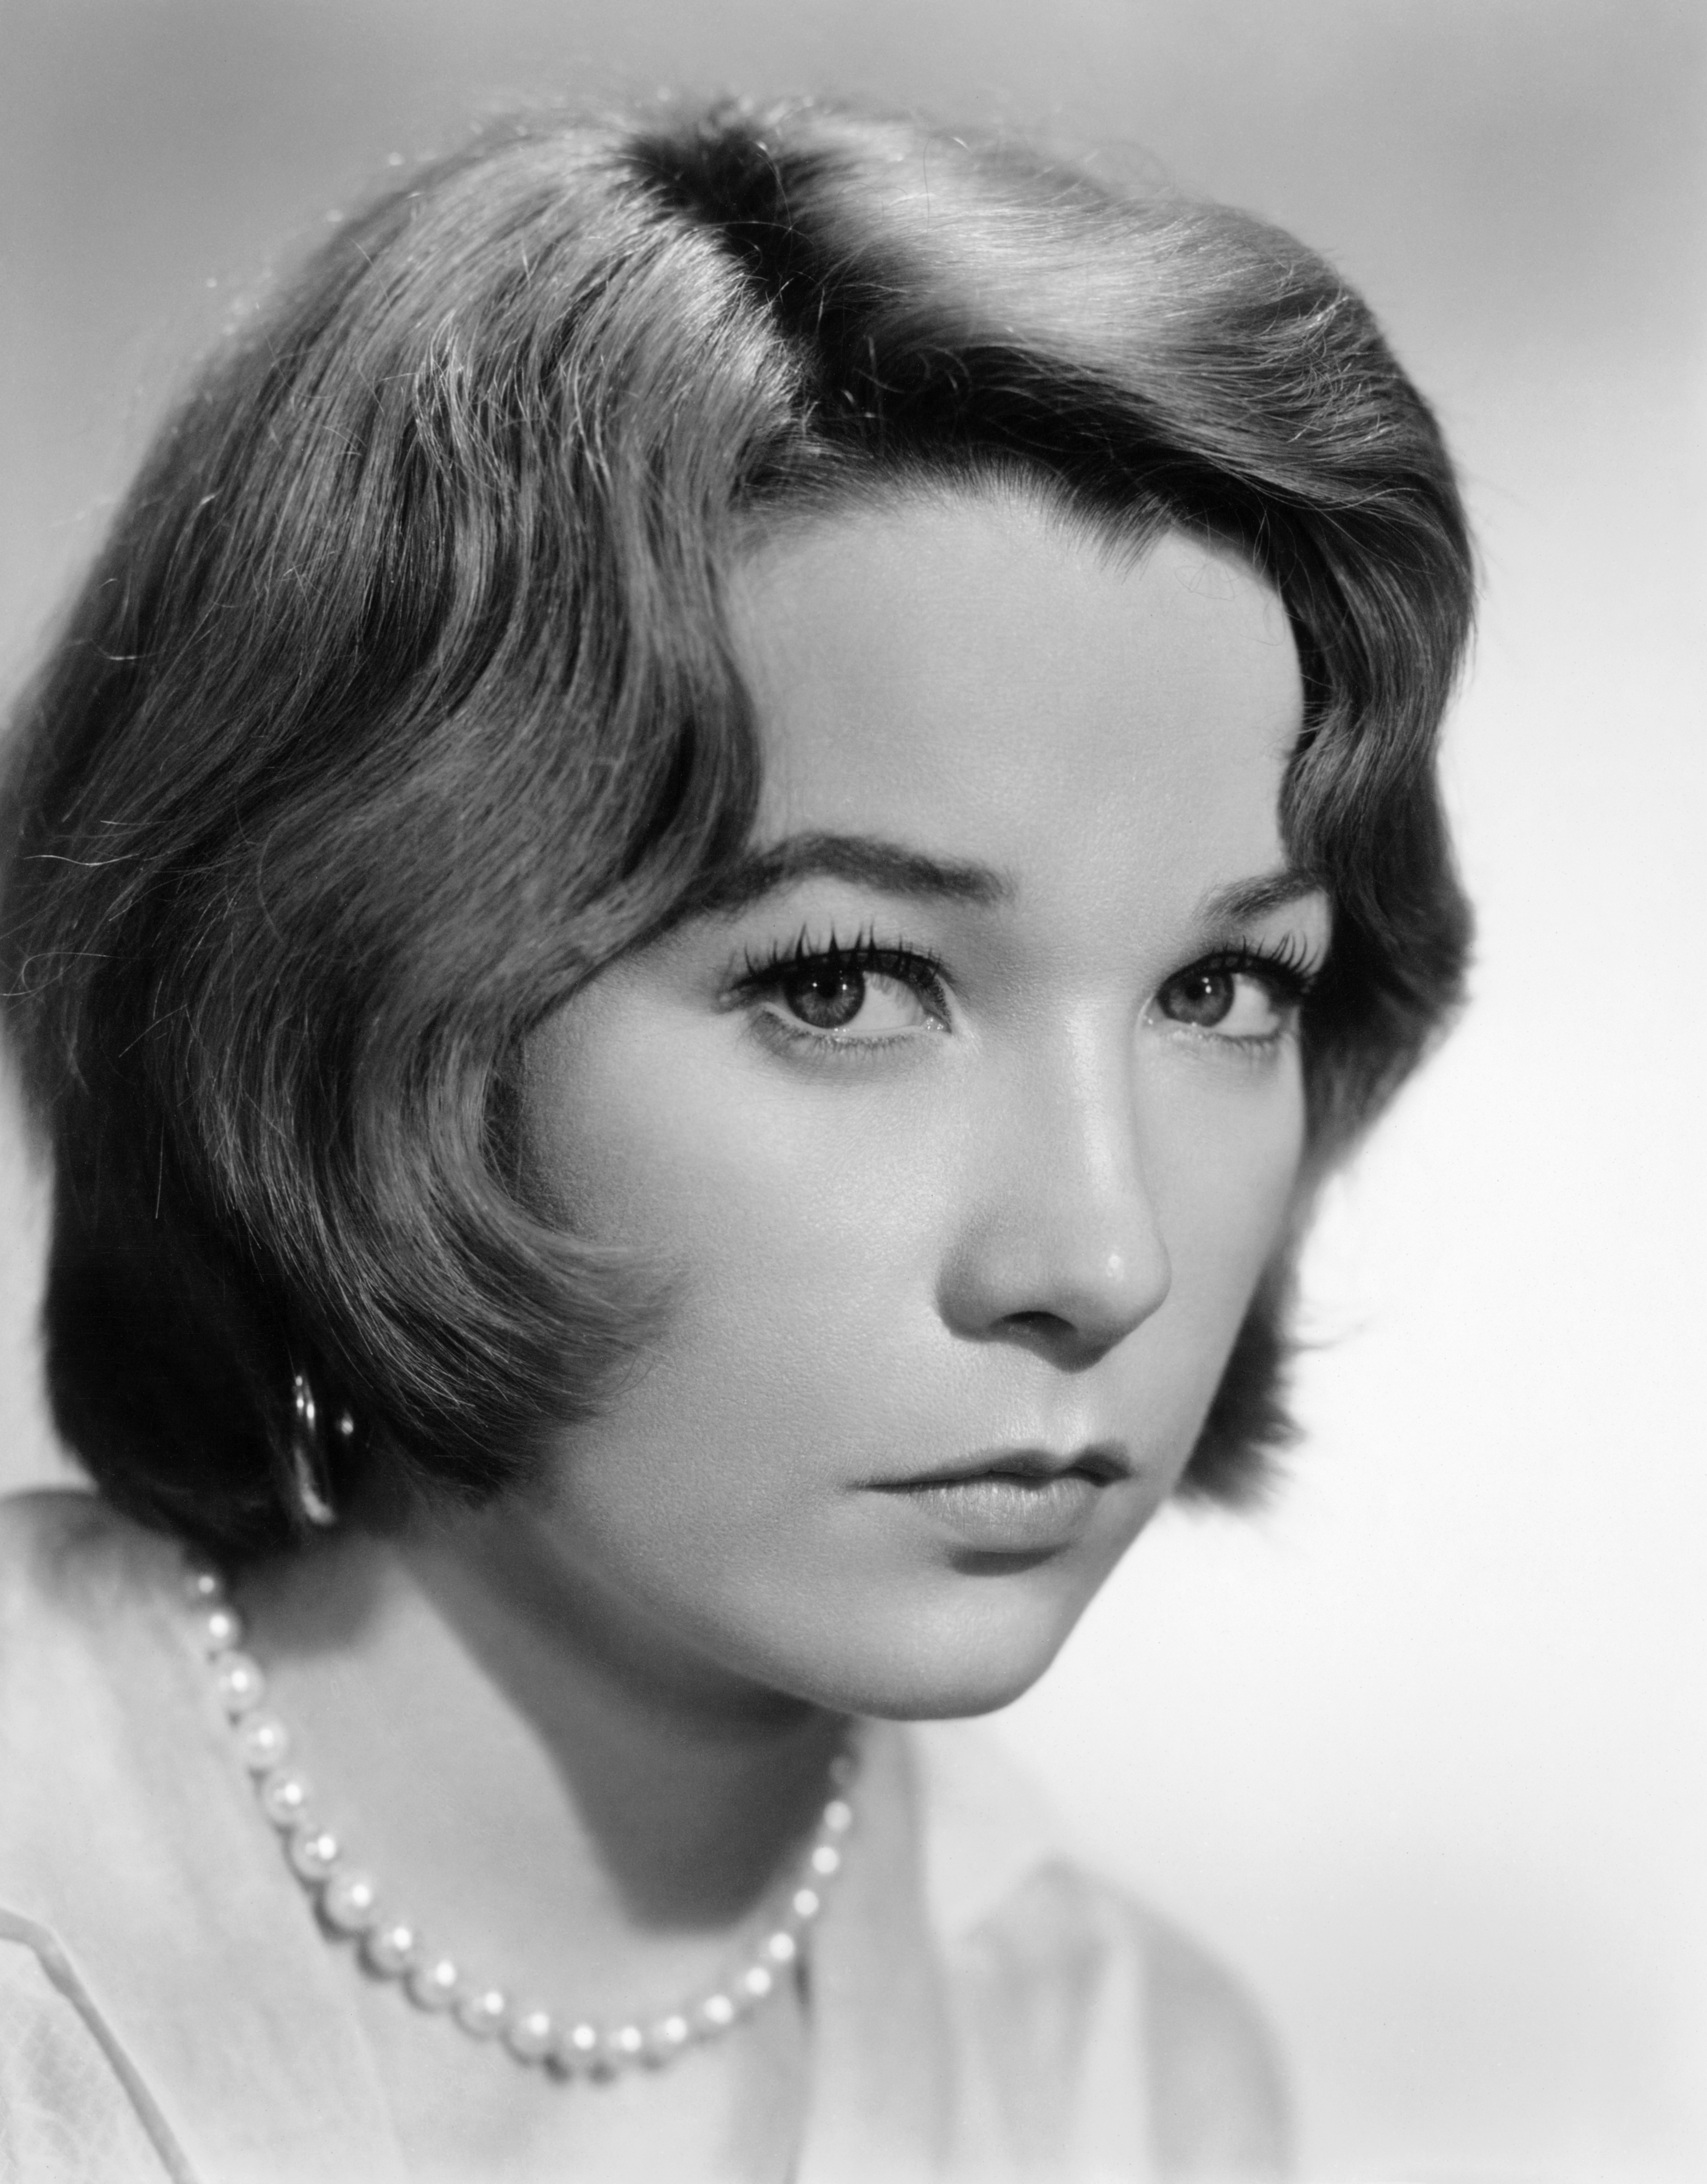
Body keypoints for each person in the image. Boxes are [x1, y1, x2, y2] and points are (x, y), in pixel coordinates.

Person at [0, 96, 1472, 2183]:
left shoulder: (1132, 2091)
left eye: (1219, 992)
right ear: (350, 1001)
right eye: (846, 983)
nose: (1102, 1252)